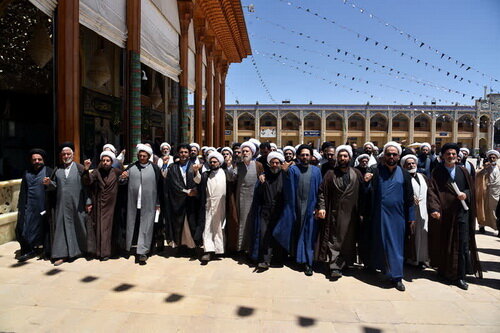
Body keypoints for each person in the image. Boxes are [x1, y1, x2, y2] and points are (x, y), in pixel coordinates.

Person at [427, 143, 482, 290]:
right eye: (448, 154)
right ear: (443, 156)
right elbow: (432, 191)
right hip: (444, 214)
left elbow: (471, 190)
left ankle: (460, 276)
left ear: (457, 156)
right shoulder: (437, 172)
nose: (451, 156)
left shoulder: (463, 171)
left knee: (461, 244)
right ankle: (444, 271)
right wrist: (434, 208)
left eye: (453, 154)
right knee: (445, 242)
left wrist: (466, 194)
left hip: (461, 213)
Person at [366, 141, 415, 291]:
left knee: (396, 246)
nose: (391, 156)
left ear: (399, 156)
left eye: (394, 154)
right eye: (389, 154)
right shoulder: (375, 171)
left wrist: (411, 217)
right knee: (380, 244)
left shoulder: (405, 174)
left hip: (397, 217)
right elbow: (367, 193)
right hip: (379, 215)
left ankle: (397, 277)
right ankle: (381, 269)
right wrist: (365, 181)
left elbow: (409, 198)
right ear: (384, 156)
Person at [273, 144, 322, 276]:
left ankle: (308, 263)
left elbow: (320, 191)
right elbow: (286, 186)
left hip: (311, 209)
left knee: (308, 235)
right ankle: (298, 258)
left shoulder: (316, 171)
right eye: (302, 154)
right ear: (298, 156)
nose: (305, 157)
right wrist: (284, 171)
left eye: (307, 154)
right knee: (296, 233)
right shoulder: (293, 170)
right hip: (296, 208)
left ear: (311, 156)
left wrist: (319, 207)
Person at [317, 145, 364, 279]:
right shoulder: (330, 174)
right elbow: (321, 192)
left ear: (349, 157)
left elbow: (363, 193)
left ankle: (346, 263)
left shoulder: (357, 173)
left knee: (349, 240)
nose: (343, 158)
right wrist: (322, 207)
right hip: (335, 212)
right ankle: (334, 266)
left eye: (345, 156)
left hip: (352, 214)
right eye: (340, 156)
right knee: (335, 240)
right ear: (337, 158)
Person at [43, 143, 88, 266]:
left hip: (77, 205)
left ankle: (79, 251)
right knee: (61, 230)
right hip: (61, 205)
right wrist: (49, 183)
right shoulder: (57, 170)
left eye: (68, 154)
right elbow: (55, 187)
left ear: (73, 155)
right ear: (60, 156)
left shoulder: (80, 168)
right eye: (64, 154)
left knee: (79, 227)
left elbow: (87, 187)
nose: (66, 156)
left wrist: (88, 202)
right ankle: (61, 255)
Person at [120, 144, 162, 264]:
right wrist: (122, 178)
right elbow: (122, 182)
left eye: (144, 156)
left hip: (150, 203)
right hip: (132, 203)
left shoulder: (154, 168)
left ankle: (143, 252)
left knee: (147, 226)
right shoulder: (131, 167)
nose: (142, 157)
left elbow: (160, 187)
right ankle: (129, 247)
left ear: (149, 156)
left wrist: (158, 202)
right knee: (132, 225)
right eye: (140, 155)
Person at [82, 151, 122, 261]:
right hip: (99, 204)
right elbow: (87, 181)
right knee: (101, 228)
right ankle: (101, 252)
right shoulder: (96, 172)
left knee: (110, 229)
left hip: (112, 205)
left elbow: (124, 179)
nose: (105, 162)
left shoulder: (116, 171)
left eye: (108, 161)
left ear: (111, 162)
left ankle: (109, 252)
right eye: (103, 160)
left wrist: (125, 176)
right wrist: (86, 169)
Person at [16, 149, 53, 261]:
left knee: (45, 230)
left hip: (43, 206)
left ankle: (46, 251)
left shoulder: (49, 171)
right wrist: (21, 206)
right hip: (29, 207)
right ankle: (28, 250)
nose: (37, 161)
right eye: (34, 160)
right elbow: (23, 191)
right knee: (25, 228)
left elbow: (55, 188)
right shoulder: (26, 173)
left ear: (43, 160)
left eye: (39, 159)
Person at [251, 151, 285, 270]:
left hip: (280, 211)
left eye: (277, 162)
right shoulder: (264, 177)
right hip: (266, 211)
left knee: (278, 235)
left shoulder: (285, 176)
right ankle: (265, 261)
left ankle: (277, 260)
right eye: (273, 163)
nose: (275, 165)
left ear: (281, 164)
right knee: (265, 235)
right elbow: (259, 195)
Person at [227, 141, 264, 253]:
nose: (244, 153)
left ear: (252, 153)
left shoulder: (258, 165)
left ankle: (251, 248)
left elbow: (262, 176)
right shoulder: (238, 165)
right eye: (243, 151)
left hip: (255, 198)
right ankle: (242, 247)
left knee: (253, 222)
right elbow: (231, 178)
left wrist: (262, 176)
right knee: (242, 222)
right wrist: (229, 166)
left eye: (247, 151)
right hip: (242, 197)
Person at [193, 152, 229, 263]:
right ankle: (208, 251)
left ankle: (219, 250)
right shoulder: (206, 174)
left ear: (219, 162)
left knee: (219, 228)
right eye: (211, 162)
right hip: (208, 206)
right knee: (208, 228)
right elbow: (197, 180)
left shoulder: (225, 173)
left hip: (222, 206)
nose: (213, 163)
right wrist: (196, 171)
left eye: (215, 161)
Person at [164, 144, 198, 255]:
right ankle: (180, 246)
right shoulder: (173, 167)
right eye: (181, 152)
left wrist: (194, 191)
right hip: (177, 201)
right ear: (178, 153)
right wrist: (185, 191)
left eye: (185, 152)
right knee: (179, 225)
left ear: (189, 154)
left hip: (191, 201)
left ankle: (191, 247)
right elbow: (173, 183)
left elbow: (199, 181)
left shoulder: (194, 166)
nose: (183, 154)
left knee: (190, 224)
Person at [400, 154, 431, 267]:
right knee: (411, 235)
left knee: (423, 233)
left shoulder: (423, 176)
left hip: (423, 210)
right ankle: (410, 258)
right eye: (408, 164)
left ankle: (422, 258)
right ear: (404, 166)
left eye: (413, 163)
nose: (411, 165)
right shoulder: (402, 177)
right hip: (409, 211)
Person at [476, 150, 500, 235]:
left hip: (496, 193)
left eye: (494, 157)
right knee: (483, 209)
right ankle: (482, 226)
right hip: (485, 192)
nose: (492, 159)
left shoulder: (499, 167)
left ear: (497, 158)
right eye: (490, 157)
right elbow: (477, 174)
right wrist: (484, 168)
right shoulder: (485, 167)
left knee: (496, 211)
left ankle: (497, 227)